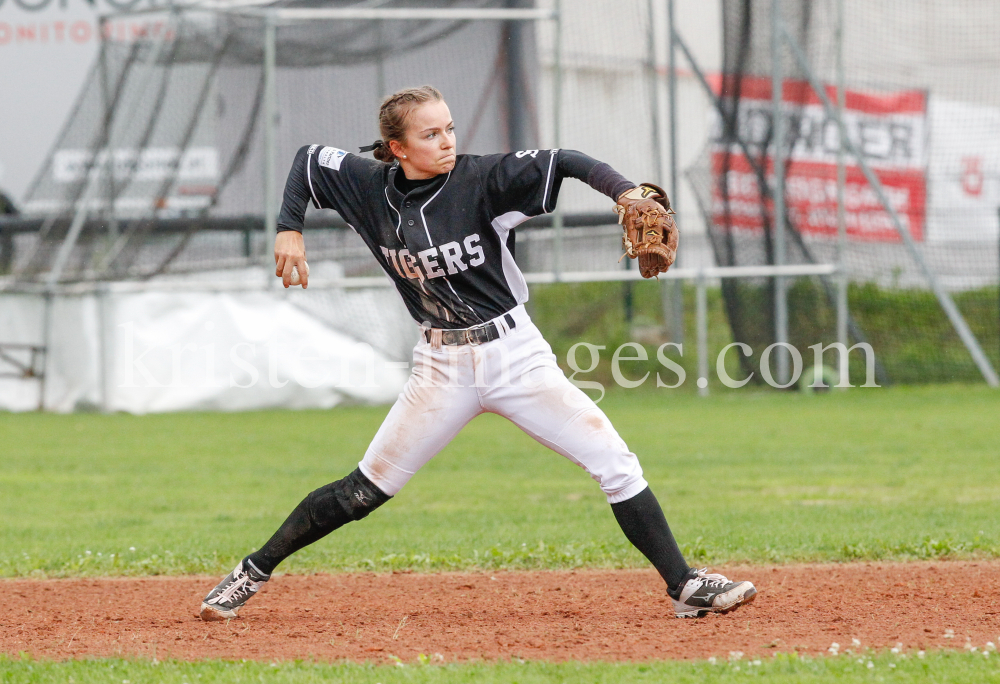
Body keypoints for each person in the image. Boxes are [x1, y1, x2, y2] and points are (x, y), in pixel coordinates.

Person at [200, 86, 756, 622]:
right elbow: (308, 159)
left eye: (449, 128)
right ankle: (252, 572)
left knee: (614, 462)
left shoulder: (483, 178)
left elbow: (566, 159)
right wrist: (288, 227)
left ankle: (684, 586)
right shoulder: (368, 187)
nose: (446, 141)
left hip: (516, 356)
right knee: (366, 488)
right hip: (440, 368)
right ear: (397, 149)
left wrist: (626, 191)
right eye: (430, 134)